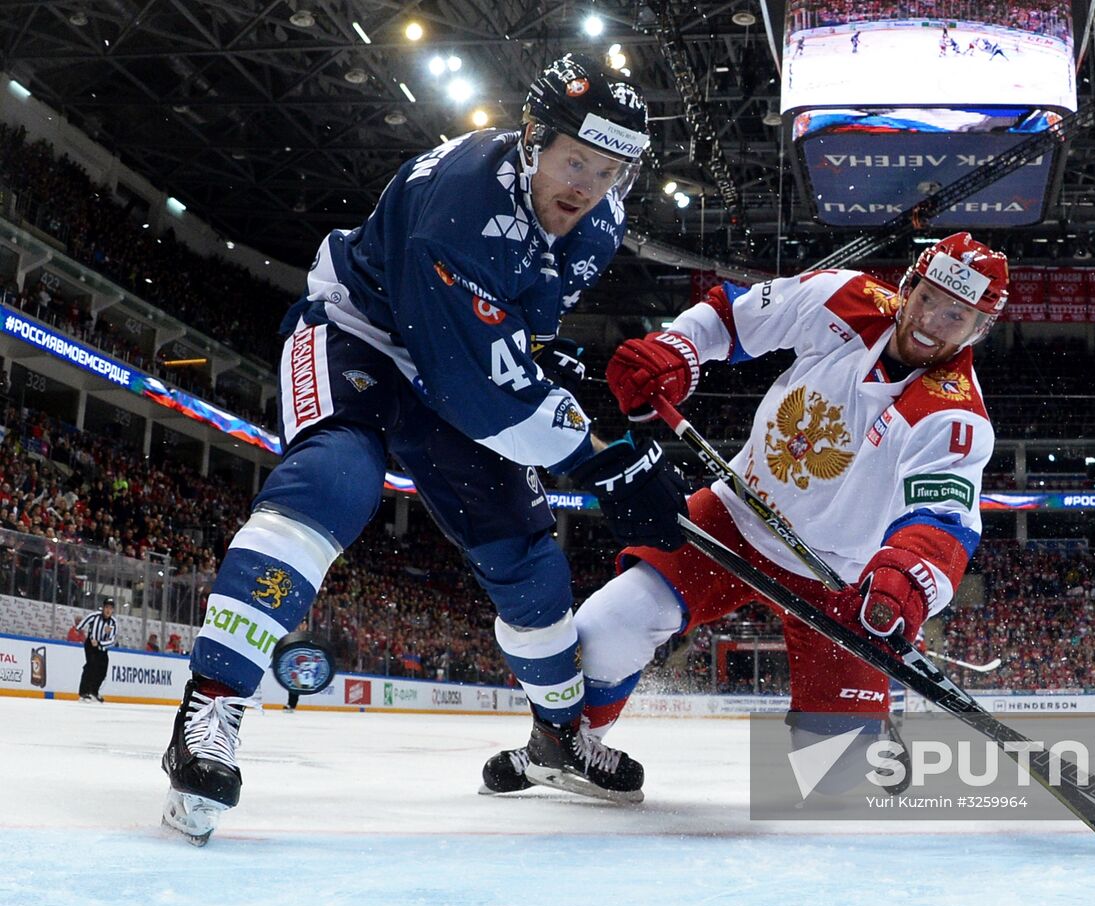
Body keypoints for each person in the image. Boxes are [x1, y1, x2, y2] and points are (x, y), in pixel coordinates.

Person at [159, 53, 689, 845]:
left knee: (529, 559)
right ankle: (209, 707)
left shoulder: (598, 222)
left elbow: (509, 337)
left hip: (449, 355)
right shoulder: (463, 207)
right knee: (334, 481)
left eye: (608, 170)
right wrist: (602, 459)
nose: (587, 186)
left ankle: (556, 737)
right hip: (357, 333)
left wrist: (547, 362)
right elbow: (475, 388)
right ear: (532, 137)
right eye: (575, 160)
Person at [483, 232, 1009, 799]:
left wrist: (903, 580)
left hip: (839, 579)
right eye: (928, 298)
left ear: (980, 329)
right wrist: (677, 349)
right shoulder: (845, 298)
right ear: (907, 287)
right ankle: (571, 749)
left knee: (839, 784)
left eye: (957, 314)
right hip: (732, 518)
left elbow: (941, 521)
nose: (932, 320)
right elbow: (732, 315)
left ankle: (876, 726)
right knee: (605, 629)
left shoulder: (955, 417)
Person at [77, 598, 118, 702]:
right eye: (107, 607)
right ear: (103, 608)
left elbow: (112, 641)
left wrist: (100, 643)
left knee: (102, 671)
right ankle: (83, 692)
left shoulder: (113, 623)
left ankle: (93, 691)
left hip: (102, 648)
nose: (108, 610)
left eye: (111, 608)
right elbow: (81, 625)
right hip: (91, 645)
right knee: (90, 666)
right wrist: (80, 631)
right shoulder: (94, 616)